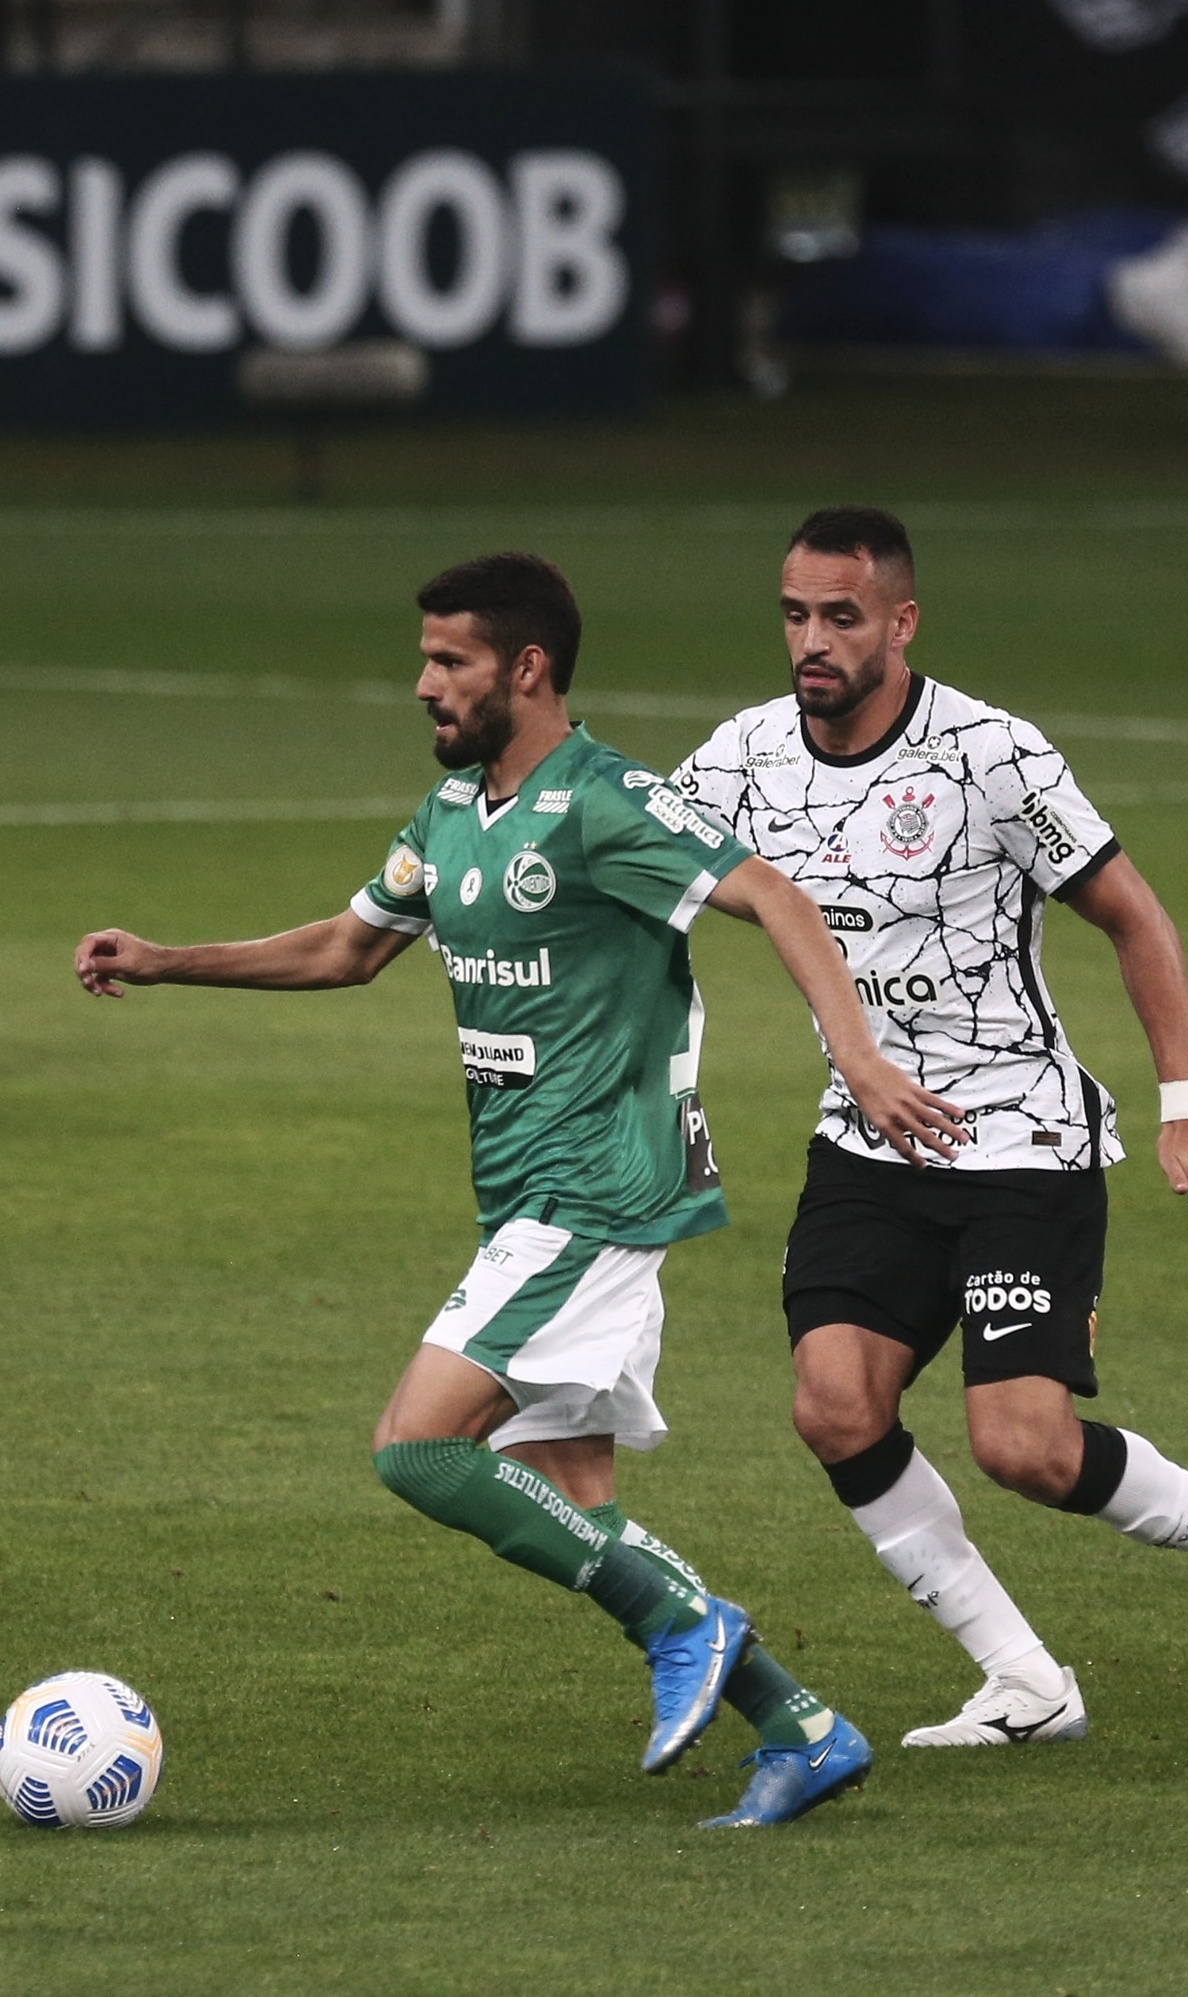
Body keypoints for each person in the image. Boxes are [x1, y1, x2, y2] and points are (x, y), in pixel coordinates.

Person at [74, 550, 966, 1825]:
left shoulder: (604, 801)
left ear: (527, 668)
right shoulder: (449, 817)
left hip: (596, 1187)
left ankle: (697, 1625)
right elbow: (346, 946)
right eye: (426, 660)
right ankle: (801, 1723)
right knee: (578, 1514)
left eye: (450, 662)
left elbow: (767, 889)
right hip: (525, 1194)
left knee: (419, 1446)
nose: (424, 685)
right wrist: (169, 961)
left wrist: (861, 1056)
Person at [671, 506, 1188, 1748]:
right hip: (868, 1142)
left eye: (842, 617)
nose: (813, 639)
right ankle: (1025, 1676)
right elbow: (640, 866)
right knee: (833, 1403)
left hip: (1019, 1138)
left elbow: (1136, 918)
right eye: (796, 614)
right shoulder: (745, 756)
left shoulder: (990, 755)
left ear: (900, 622)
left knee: (1022, 1444)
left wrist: (1187, 1110)